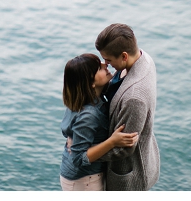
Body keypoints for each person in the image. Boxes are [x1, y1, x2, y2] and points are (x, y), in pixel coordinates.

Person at [94, 23, 160, 190]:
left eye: (108, 59)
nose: (106, 64)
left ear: (124, 56)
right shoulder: (143, 58)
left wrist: (88, 154)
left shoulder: (134, 97)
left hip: (129, 175)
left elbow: (123, 149)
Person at [60, 53, 139, 191]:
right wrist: (112, 142)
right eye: (98, 67)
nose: (105, 64)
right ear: (91, 83)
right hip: (84, 181)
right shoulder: (88, 115)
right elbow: (79, 159)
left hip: (76, 176)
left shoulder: (80, 99)